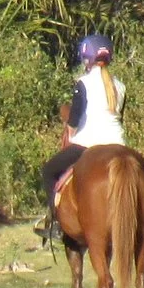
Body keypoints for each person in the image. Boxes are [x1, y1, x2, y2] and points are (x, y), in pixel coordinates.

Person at [35, 33, 124, 245]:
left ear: (87, 58)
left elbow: (74, 120)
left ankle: (56, 224)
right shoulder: (120, 86)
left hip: (87, 144)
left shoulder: (82, 83)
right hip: (119, 145)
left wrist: (71, 132)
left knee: (49, 170)